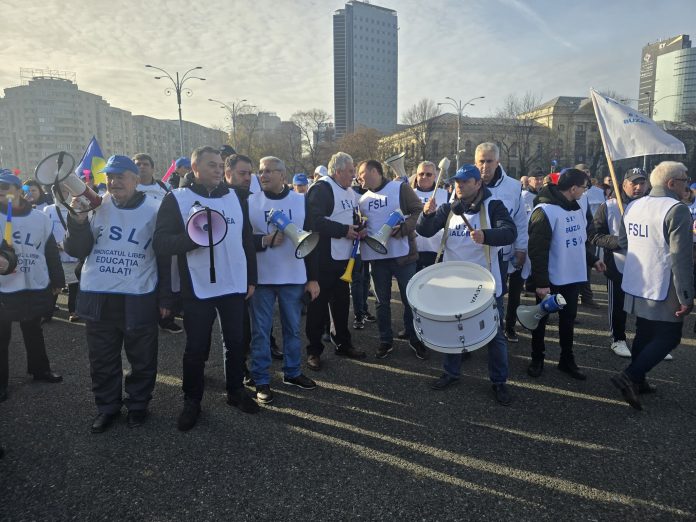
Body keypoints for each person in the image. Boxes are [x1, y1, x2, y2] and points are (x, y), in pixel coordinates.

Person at [64, 155, 172, 433]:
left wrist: (166, 297)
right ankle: (107, 407)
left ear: (135, 179)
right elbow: (77, 250)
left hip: (138, 296)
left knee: (142, 358)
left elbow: (164, 256)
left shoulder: (155, 208)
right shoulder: (95, 205)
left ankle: (138, 405)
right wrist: (77, 221)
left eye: (120, 176)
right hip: (99, 297)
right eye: (110, 177)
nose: (114, 182)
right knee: (102, 359)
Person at [154, 146, 259, 431]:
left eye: (220, 165)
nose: (217, 169)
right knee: (196, 347)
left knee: (236, 342)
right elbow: (161, 242)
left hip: (234, 283)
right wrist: (193, 239)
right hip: (197, 285)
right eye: (211, 165)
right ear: (195, 168)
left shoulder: (236, 197)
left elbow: (246, 240)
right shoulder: (177, 198)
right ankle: (192, 400)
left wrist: (251, 278)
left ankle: (235, 391)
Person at [416, 164, 516, 405]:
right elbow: (424, 231)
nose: (459, 186)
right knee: (453, 330)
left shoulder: (494, 206)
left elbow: (510, 232)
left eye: (465, 182)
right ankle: (451, 373)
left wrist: (486, 235)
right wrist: (426, 215)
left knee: (494, 334)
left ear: (478, 183)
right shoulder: (448, 208)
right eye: (457, 182)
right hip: (454, 283)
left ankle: (499, 381)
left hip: (485, 283)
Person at [610, 162, 693, 410]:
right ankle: (631, 375)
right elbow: (681, 258)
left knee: (644, 331)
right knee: (669, 336)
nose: (687, 185)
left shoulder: (634, 205)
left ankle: (639, 380)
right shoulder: (677, 209)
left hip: (637, 279)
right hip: (664, 282)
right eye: (685, 180)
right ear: (671, 183)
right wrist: (686, 296)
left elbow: (623, 241)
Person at [247, 157, 319, 404]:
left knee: (292, 329)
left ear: (282, 175)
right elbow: (243, 240)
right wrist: (264, 241)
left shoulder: (301, 201)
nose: (263, 175)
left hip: (293, 276)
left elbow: (312, 241)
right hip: (262, 278)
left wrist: (313, 278)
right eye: (261, 171)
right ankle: (261, 379)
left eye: (269, 171)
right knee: (260, 332)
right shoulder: (250, 202)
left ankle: (292, 372)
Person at [527, 168, 605, 380]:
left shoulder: (576, 207)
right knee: (541, 321)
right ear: (573, 188)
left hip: (572, 277)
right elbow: (537, 250)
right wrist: (541, 283)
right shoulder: (544, 211)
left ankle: (566, 360)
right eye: (583, 187)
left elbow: (578, 242)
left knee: (568, 321)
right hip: (551, 279)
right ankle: (537, 358)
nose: (584, 191)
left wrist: (593, 260)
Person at [0, 170, 64, 404]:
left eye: (5, 187)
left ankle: (40, 369)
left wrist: (57, 280)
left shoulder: (40, 218)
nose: (0, 192)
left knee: (33, 329)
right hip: (4, 287)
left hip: (33, 282)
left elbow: (49, 250)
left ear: (19, 191)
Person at [357, 159, 426, 360]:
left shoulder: (400, 188)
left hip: (404, 256)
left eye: (361, 173)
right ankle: (385, 340)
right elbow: (362, 224)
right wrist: (361, 230)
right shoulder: (362, 200)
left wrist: (404, 228)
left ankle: (415, 338)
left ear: (374, 171)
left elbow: (418, 209)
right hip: (377, 259)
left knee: (410, 300)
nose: (358, 178)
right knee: (381, 302)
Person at [304, 152, 366, 370]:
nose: (354, 175)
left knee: (341, 305)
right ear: (338, 171)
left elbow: (350, 216)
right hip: (324, 259)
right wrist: (343, 230)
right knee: (317, 308)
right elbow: (314, 221)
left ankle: (343, 344)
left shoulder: (348, 190)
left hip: (343, 258)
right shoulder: (321, 189)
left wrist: (358, 228)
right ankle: (314, 351)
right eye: (350, 171)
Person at [590, 168, 648, 358]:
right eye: (634, 183)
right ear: (624, 184)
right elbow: (594, 235)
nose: (638, 187)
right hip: (618, 262)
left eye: (642, 183)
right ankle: (618, 339)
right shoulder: (609, 206)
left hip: (645, 264)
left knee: (645, 304)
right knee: (618, 304)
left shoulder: (651, 206)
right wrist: (617, 241)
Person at [474, 143, 528, 345]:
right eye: (481, 161)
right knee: (473, 294)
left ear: (497, 162)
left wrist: (521, 247)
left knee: (497, 294)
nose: (485, 166)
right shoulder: (467, 183)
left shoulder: (513, 186)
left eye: (489, 161)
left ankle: (496, 335)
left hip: (501, 253)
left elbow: (520, 220)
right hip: (473, 252)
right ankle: (473, 336)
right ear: (475, 162)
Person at [132, 153, 183, 335]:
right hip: (137, 243)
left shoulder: (164, 188)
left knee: (166, 278)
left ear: (153, 168)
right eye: (137, 164)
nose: (141, 167)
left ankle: (166, 318)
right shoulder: (129, 188)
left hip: (162, 241)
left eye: (145, 164)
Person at [505, 167, 544, 341]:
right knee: (498, 289)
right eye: (537, 178)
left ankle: (510, 326)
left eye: (541, 178)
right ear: (529, 180)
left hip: (525, 250)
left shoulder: (542, 199)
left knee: (515, 292)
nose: (539, 181)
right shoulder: (521, 197)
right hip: (508, 247)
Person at [43, 185, 80, 322]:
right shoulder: (48, 209)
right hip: (55, 254)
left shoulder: (77, 209)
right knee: (54, 283)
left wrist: (66, 244)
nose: (61, 194)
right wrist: (54, 245)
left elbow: (80, 230)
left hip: (72, 253)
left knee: (74, 285)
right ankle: (48, 311)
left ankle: (73, 310)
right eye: (58, 191)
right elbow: (45, 230)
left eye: (64, 191)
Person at [411, 161, 448, 271]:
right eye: (421, 174)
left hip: (437, 251)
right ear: (416, 176)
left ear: (435, 177)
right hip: (413, 250)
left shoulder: (446, 194)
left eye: (428, 174)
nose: (424, 177)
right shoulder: (409, 194)